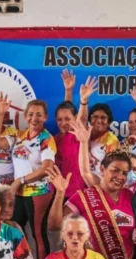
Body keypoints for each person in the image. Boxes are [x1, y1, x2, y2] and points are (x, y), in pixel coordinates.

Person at [0, 94, 57, 259]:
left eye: (39, 114)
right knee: (14, 231)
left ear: (45, 117)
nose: (34, 118)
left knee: (38, 234)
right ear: (25, 116)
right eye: (31, 114)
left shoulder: (47, 139)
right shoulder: (19, 135)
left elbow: (46, 168)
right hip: (19, 194)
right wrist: (0, 114)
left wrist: (20, 180)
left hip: (39, 192)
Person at [54, 70, 89, 199]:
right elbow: (67, 110)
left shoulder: (77, 135)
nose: (63, 123)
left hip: (78, 194)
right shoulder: (54, 139)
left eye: (67, 120)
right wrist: (68, 90)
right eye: (59, 120)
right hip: (57, 192)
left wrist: (83, 101)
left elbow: (80, 119)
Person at [77, 78, 120, 178]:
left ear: (109, 122)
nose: (99, 121)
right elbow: (80, 123)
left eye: (103, 118)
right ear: (90, 119)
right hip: (79, 182)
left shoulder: (111, 141)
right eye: (95, 117)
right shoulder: (85, 133)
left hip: (99, 184)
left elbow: (112, 170)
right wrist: (83, 100)